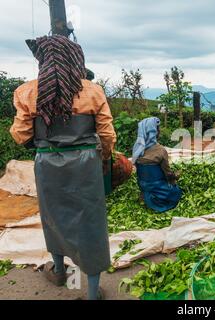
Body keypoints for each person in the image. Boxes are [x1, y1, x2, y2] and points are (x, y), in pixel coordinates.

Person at [10, 35, 116, 300]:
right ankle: (92, 293)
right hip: (85, 165)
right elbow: (107, 136)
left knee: (53, 217)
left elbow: (21, 136)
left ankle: (59, 271)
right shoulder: (92, 91)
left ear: (42, 60)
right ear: (75, 58)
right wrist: (104, 159)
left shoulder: (27, 92)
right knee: (89, 223)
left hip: (47, 164)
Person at [132, 117, 182, 213]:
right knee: (176, 191)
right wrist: (175, 176)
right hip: (158, 193)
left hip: (144, 187)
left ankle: (143, 196)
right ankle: (157, 199)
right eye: (158, 129)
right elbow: (168, 175)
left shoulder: (137, 149)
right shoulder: (160, 150)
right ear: (155, 132)